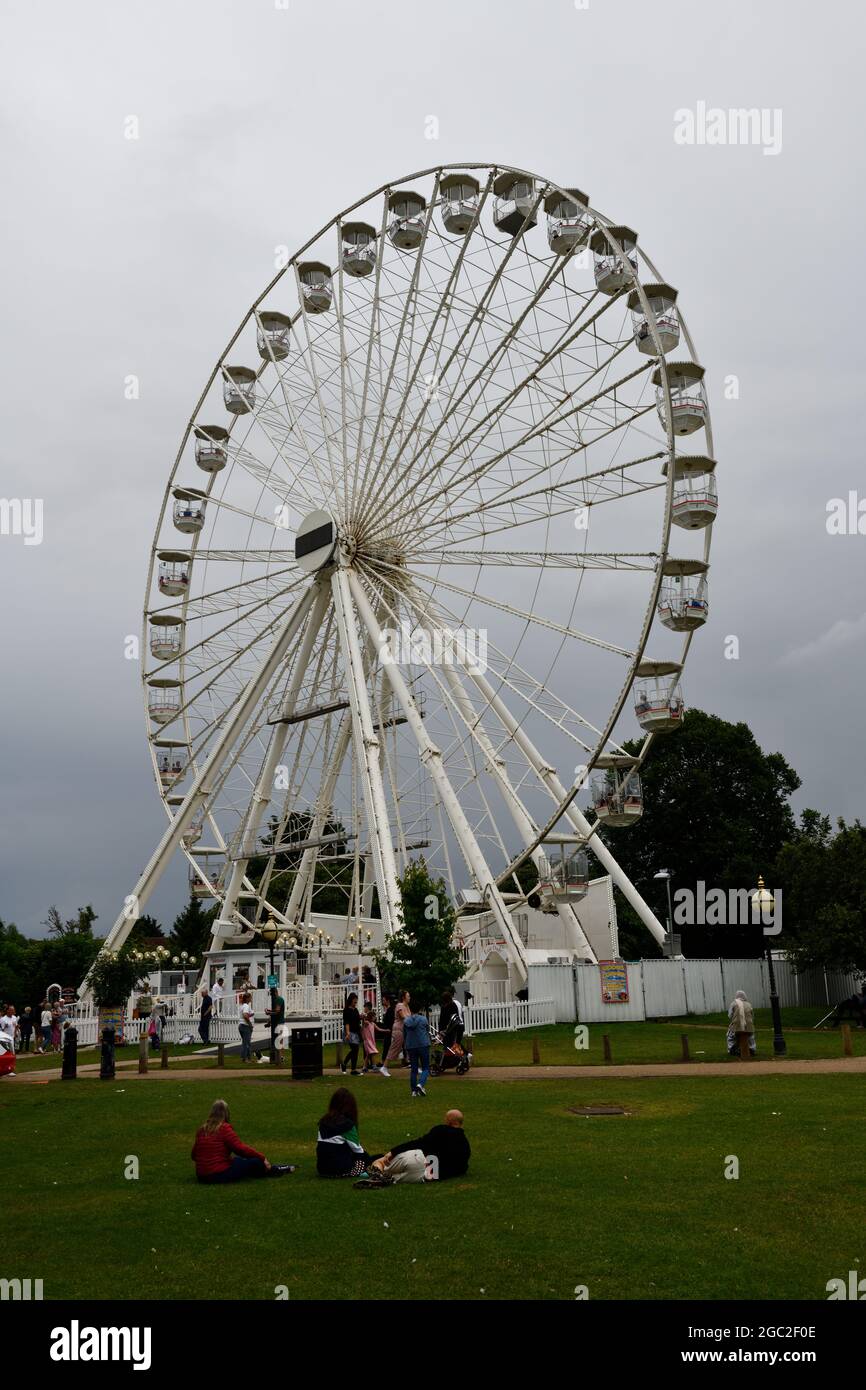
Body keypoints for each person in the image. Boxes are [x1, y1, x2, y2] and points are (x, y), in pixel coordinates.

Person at [191, 1099, 296, 1183]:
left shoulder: (202, 1129)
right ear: (226, 1114)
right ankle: (273, 1170)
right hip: (218, 1174)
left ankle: (270, 1169)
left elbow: (194, 1155)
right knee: (255, 1162)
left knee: (238, 1161)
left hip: (201, 1175)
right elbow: (240, 1149)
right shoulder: (224, 1128)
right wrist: (262, 1157)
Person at [369, 1109, 471, 1184]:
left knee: (380, 1161)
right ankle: (383, 1179)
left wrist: (393, 1151)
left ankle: (376, 1172)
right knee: (391, 1177)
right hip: (428, 1175)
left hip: (419, 1159)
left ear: (448, 1121)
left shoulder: (441, 1130)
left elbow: (420, 1142)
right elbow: (462, 1168)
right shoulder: (466, 1146)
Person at [316, 1087, 370, 1179]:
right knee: (365, 1158)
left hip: (322, 1169)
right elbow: (358, 1150)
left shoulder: (324, 1121)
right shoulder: (347, 1125)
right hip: (340, 1170)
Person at [404, 1001, 431, 1097]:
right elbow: (427, 1031)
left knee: (414, 1069)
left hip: (411, 1046)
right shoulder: (423, 1019)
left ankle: (413, 1091)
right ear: (419, 1009)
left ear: (410, 1009)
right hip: (423, 1044)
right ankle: (420, 1084)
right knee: (426, 1067)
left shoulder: (406, 1021)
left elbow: (405, 1034)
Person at [381, 990, 410, 1078]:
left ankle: (414, 1066)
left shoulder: (406, 1006)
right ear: (403, 997)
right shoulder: (399, 1005)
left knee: (409, 1048)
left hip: (404, 1030)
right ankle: (384, 1067)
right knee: (394, 1048)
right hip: (398, 1030)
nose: (409, 998)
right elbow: (404, 1017)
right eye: (408, 996)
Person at [727, 989, 756, 1056]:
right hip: (749, 1026)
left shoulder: (733, 1003)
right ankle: (752, 1049)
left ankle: (731, 1050)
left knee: (730, 1037)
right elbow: (752, 1016)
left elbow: (730, 1015)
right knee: (751, 1037)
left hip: (737, 1026)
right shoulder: (749, 1004)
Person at [340, 993, 362, 1075]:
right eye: (354, 1002)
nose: (355, 1003)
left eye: (356, 1002)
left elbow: (357, 1019)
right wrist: (348, 1032)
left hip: (356, 1032)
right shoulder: (346, 1010)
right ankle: (352, 1068)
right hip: (350, 1032)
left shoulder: (355, 1010)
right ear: (350, 1000)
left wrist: (361, 1017)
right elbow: (347, 1022)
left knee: (355, 1050)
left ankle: (346, 1065)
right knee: (355, 1049)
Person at [361, 1005, 385, 1073]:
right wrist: (363, 1018)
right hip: (368, 1041)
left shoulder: (373, 1024)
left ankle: (364, 1067)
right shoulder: (367, 1023)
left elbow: (379, 1029)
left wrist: (386, 1030)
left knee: (368, 1055)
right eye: (374, 1016)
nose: (375, 1018)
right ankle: (374, 1066)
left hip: (371, 1041)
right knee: (373, 1053)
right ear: (371, 1017)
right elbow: (364, 1023)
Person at [378, 992, 394, 1068]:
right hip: (387, 1031)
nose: (382, 1001)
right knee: (386, 1046)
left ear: (388, 1001)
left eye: (383, 1000)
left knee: (387, 1046)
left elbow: (390, 1021)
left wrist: (389, 1029)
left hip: (389, 1031)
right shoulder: (387, 1010)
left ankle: (383, 1062)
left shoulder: (390, 1010)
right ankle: (383, 1061)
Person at [238, 992, 255, 1062]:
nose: (251, 999)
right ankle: (246, 1058)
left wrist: (250, 1015)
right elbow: (245, 1015)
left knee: (245, 1043)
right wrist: (250, 1024)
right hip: (245, 1026)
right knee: (247, 1043)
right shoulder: (246, 1006)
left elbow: (246, 1015)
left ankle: (246, 1058)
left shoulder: (243, 1005)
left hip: (241, 1025)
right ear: (247, 998)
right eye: (250, 997)